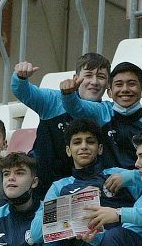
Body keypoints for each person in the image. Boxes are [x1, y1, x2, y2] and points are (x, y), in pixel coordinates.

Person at [12, 53, 111, 195]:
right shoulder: (53, 100)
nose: (94, 82)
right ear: (76, 78)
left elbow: (79, 107)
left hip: (85, 191)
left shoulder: (106, 111)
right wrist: (20, 77)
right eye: (88, 75)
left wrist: (69, 96)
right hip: (42, 188)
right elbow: (23, 92)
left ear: (108, 83)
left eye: (101, 77)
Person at [60, 61, 142, 170]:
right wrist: (68, 93)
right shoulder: (101, 112)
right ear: (110, 93)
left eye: (132, 84)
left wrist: (133, 177)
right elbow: (75, 108)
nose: (125, 89)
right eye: (119, 84)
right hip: (102, 184)